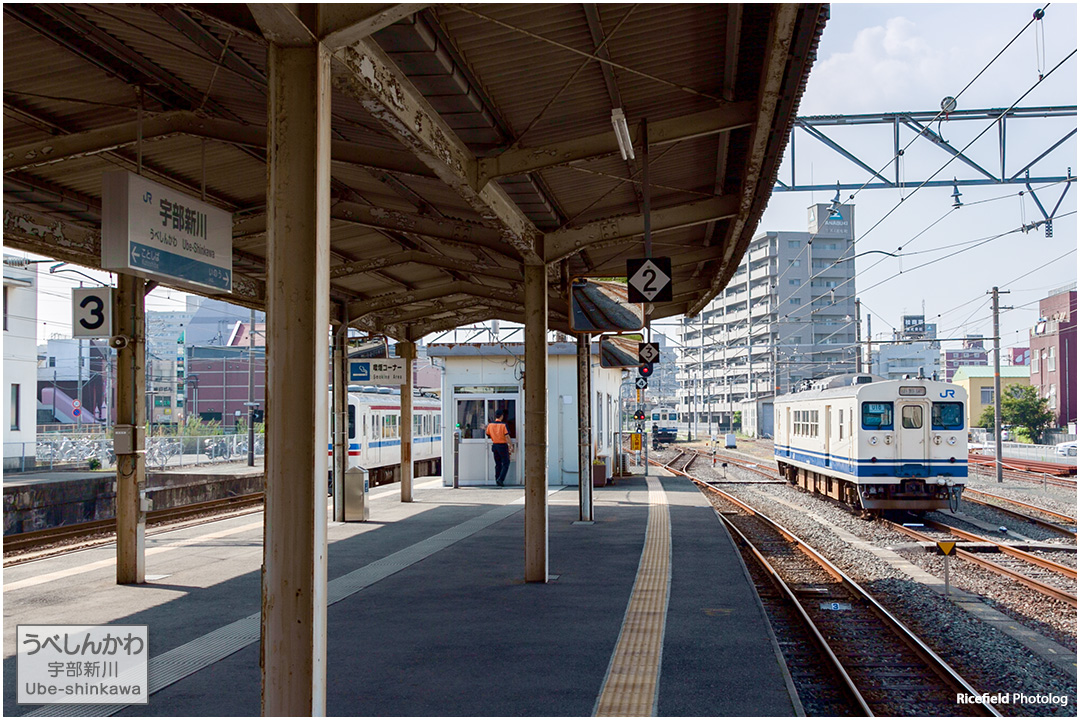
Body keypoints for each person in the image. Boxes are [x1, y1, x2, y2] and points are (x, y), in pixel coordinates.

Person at [485, 410, 513, 486]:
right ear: (502, 416)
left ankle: (497, 479)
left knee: (498, 464)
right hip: (503, 445)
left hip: (495, 445)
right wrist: (510, 445)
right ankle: (500, 479)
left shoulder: (490, 425)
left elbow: (487, 434)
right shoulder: (503, 425)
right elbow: (507, 436)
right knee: (506, 463)